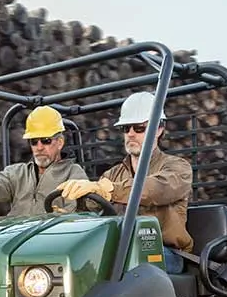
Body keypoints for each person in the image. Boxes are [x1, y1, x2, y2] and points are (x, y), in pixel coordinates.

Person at [56, 91, 194, 273]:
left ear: (159, 129)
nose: (131, 134)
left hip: (164, 252)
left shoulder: (178, 167)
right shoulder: (113, 174)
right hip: (123, 249)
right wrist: (73, 210)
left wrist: (109, 190)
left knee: (117, 263)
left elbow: (156, 189)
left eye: (139, 128)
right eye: (126, 128)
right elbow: (94, 206)